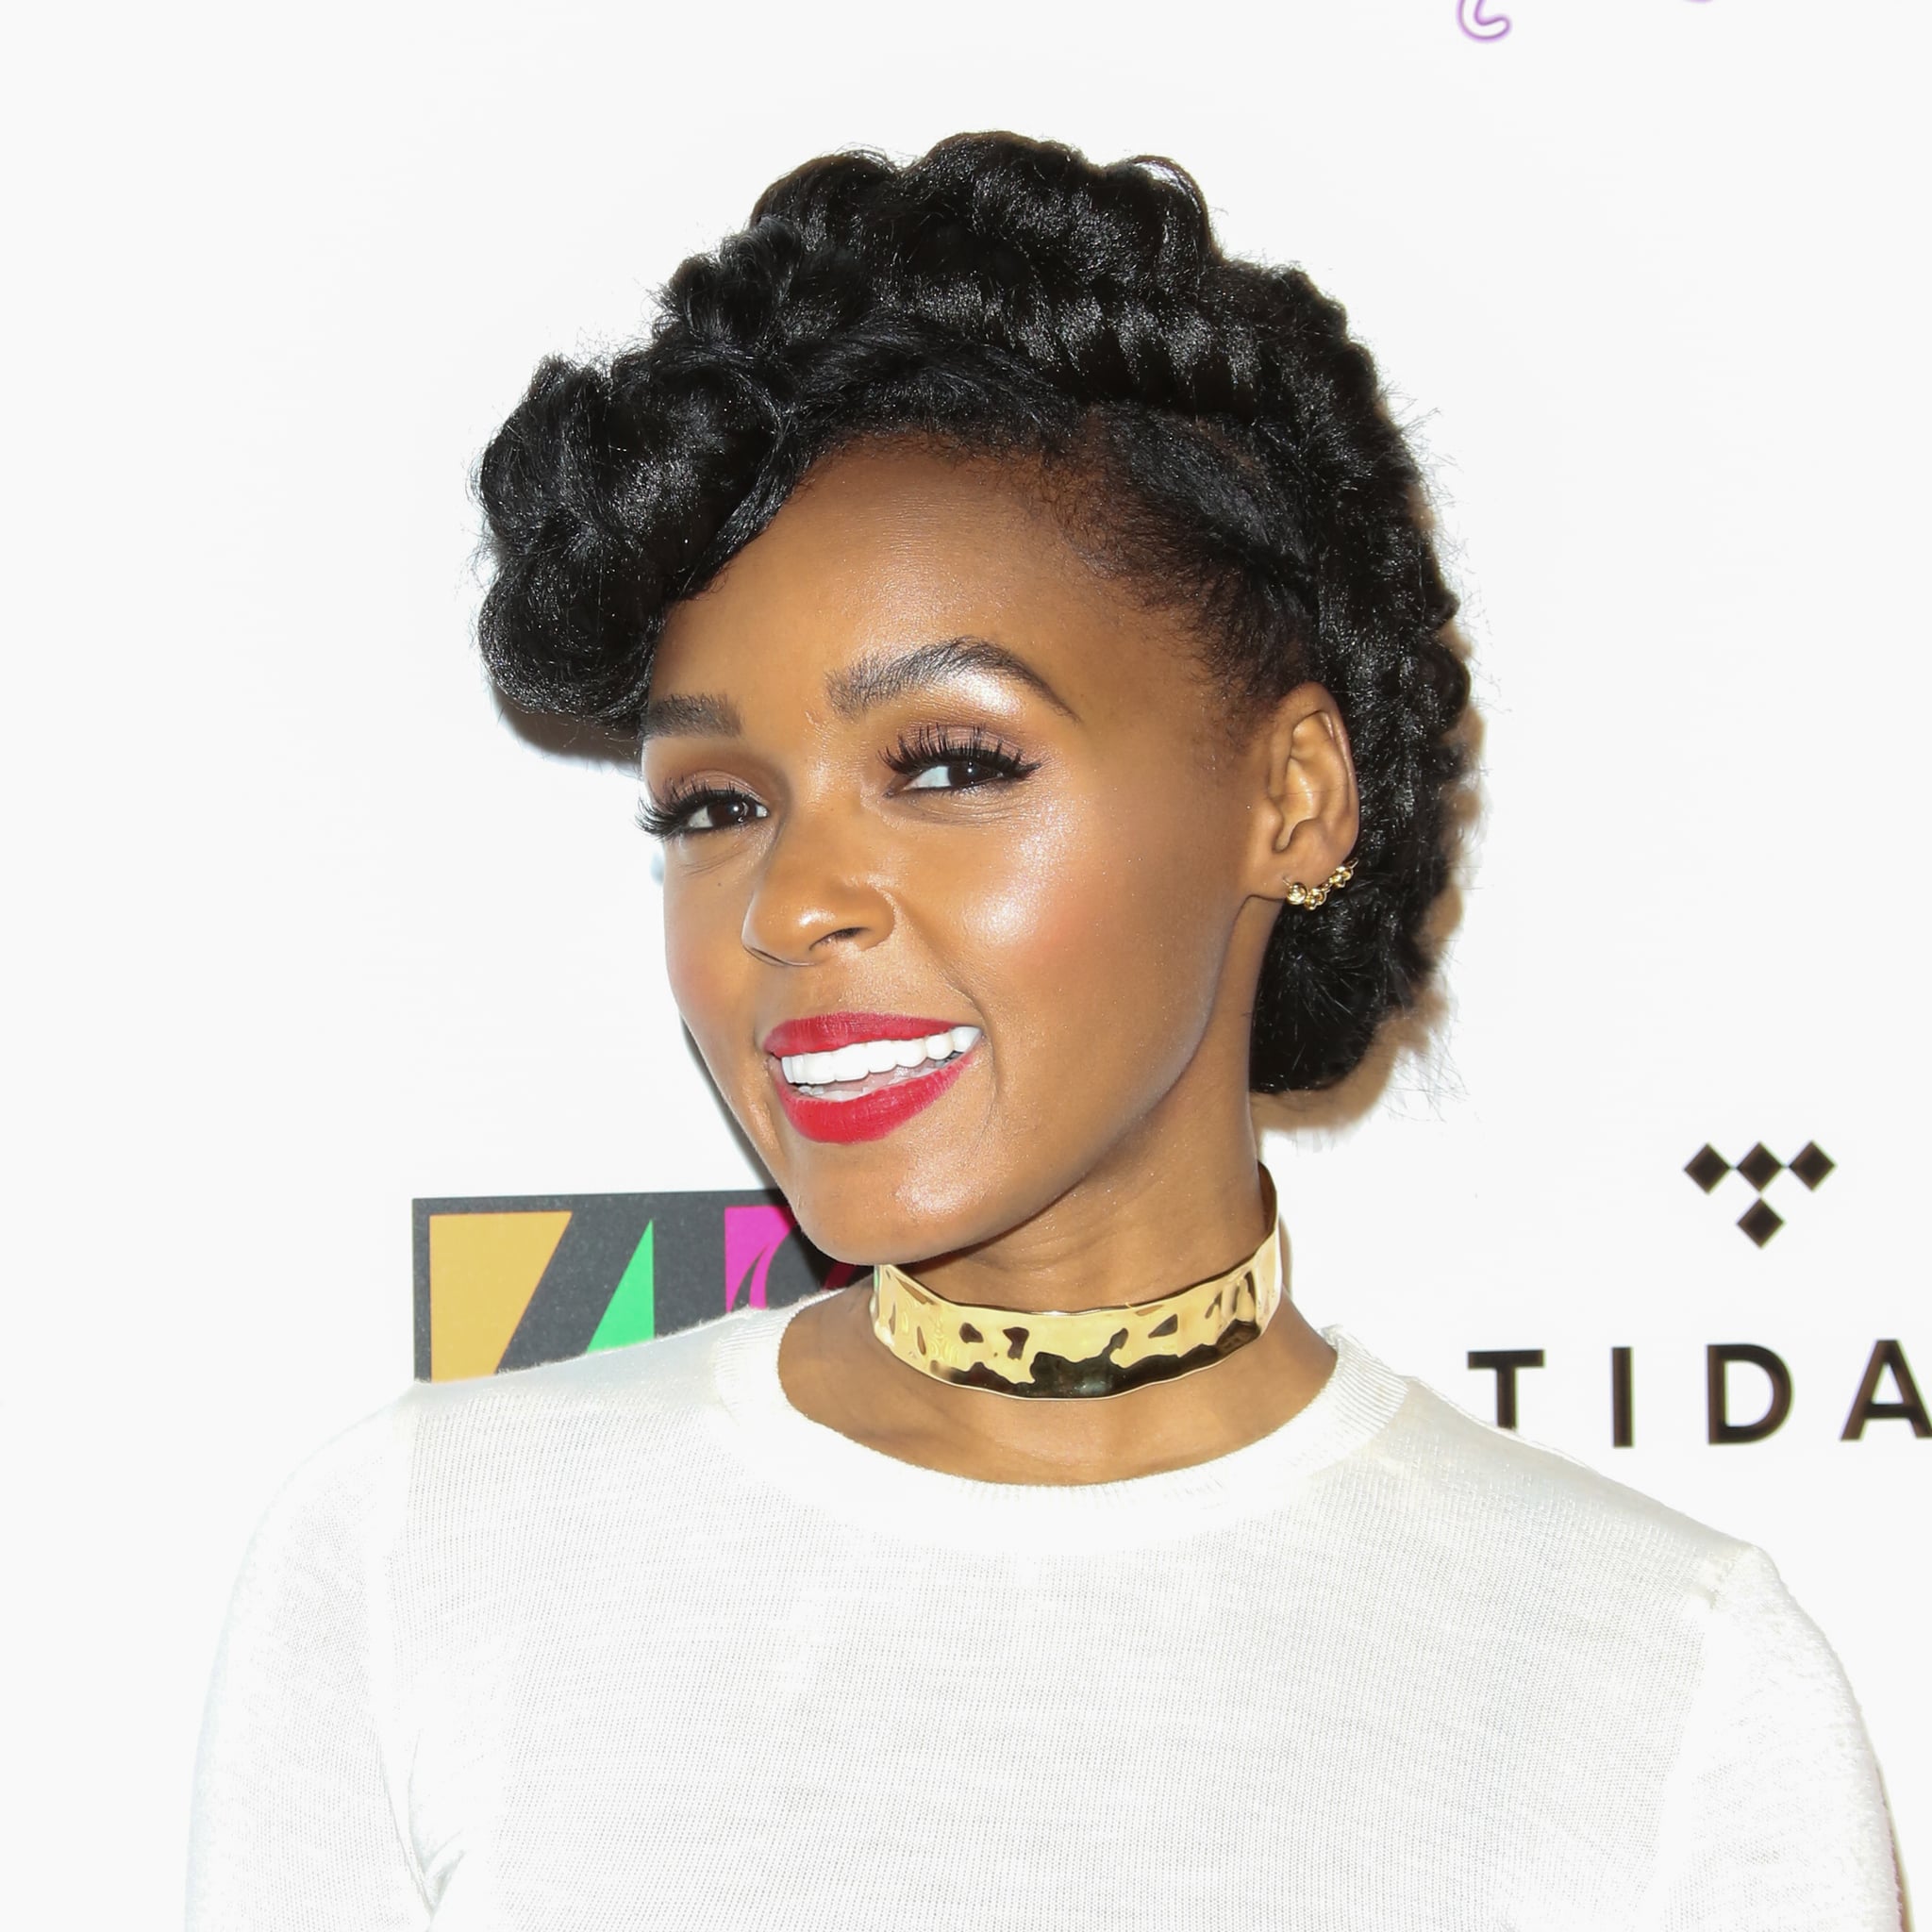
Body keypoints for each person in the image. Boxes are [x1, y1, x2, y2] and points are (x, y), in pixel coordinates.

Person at [186, 132, 1901, 1928]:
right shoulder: (429, 1565)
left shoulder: (1666, 1687)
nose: (788, 904)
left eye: (948, 763)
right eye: (711, 805)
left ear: (1294, 796)